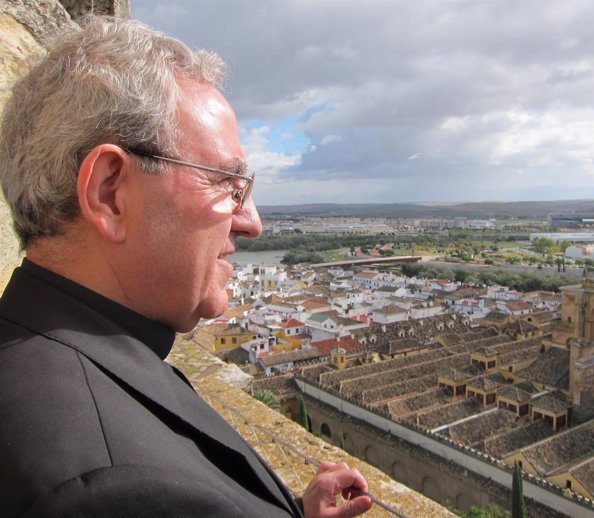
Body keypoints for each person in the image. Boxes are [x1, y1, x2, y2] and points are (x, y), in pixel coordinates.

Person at [0, 15, 371, 518]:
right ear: (109, 193)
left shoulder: (38, 352)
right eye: (226, 183)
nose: (252, 222)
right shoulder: (114, 493)